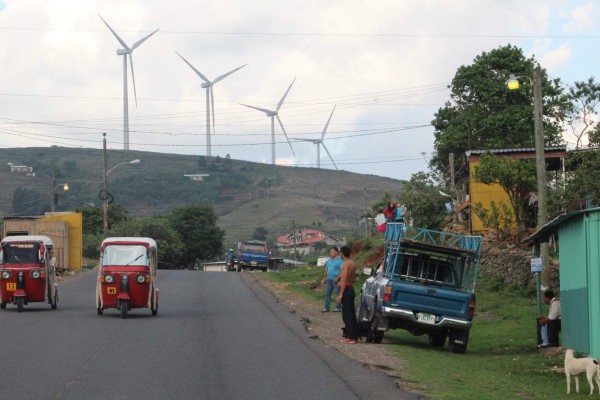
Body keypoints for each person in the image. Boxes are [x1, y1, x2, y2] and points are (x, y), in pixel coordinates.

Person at [336, 245, 359, 343]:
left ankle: (351, 336)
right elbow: (351, 278)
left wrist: (340, 294)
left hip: (346, 290)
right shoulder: (352, 263)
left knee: (347, 314)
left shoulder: (345, 264)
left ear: (342, 253)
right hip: (351, 288)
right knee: (352, 313)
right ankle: (354, 335)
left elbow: (344, 278)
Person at [321, 247, 343, 312]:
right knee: (327, 293)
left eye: (332, 252)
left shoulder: (340, 260)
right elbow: (326, 269)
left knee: (337, 293)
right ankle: (326, 307)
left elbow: (342, 271)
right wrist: (324, 278)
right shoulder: (329, 260)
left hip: (336, 280)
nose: (330, 253)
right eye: (330, 252)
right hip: (329, 280)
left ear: (336, 252)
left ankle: (338, 307)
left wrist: (337, 278)